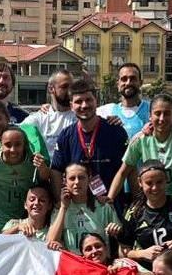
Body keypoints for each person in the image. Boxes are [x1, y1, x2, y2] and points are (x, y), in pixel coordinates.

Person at [109, 93, 172, 204]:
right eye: (157, 113)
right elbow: (122, 173)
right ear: (150, 116)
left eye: (167, 114)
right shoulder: (141, 139)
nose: (162, 118)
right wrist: (110, 199)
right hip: (153, 207)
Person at [50, 79, 129, 207]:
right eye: (78, 101)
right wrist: (60, 201)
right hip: (77, 209)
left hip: (111, 205)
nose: (84, 105)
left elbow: (128, 168)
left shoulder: (116, 132)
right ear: (71, 106)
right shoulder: (66, 136)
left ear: (96, 101)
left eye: (88, 100)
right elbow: (56, 171)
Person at [115, 160, 172, 270]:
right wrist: (143, 253)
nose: (155, 188)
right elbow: (124, 250)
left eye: (159, 182)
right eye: (149, 183)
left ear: (166, 180)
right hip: (148, 273)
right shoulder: (133, 213)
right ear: (140, 182)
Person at [46, 162, 121, 253]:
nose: (77, 182)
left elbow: (121, 236)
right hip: (74, 261)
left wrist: (116, 231)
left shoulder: (103, 206)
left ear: (89, 179)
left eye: (81, 178)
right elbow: (50, 242)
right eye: (72, 178)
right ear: (65, 181)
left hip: (98, 260)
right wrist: (63, 208)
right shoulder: (60, 208)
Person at [20, 68, 78, 158]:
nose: (70, 91)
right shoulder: (38, 119)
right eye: (65, 87)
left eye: (72, 87)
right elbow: (15, 132)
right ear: (51, 89)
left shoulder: (81, 117)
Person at [96, 63, 150, 138]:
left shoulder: (152, 111)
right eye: (124, 79)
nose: (128, 83)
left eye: (133, 79)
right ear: (118, 84)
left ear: (140, 83)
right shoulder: (107, 112)